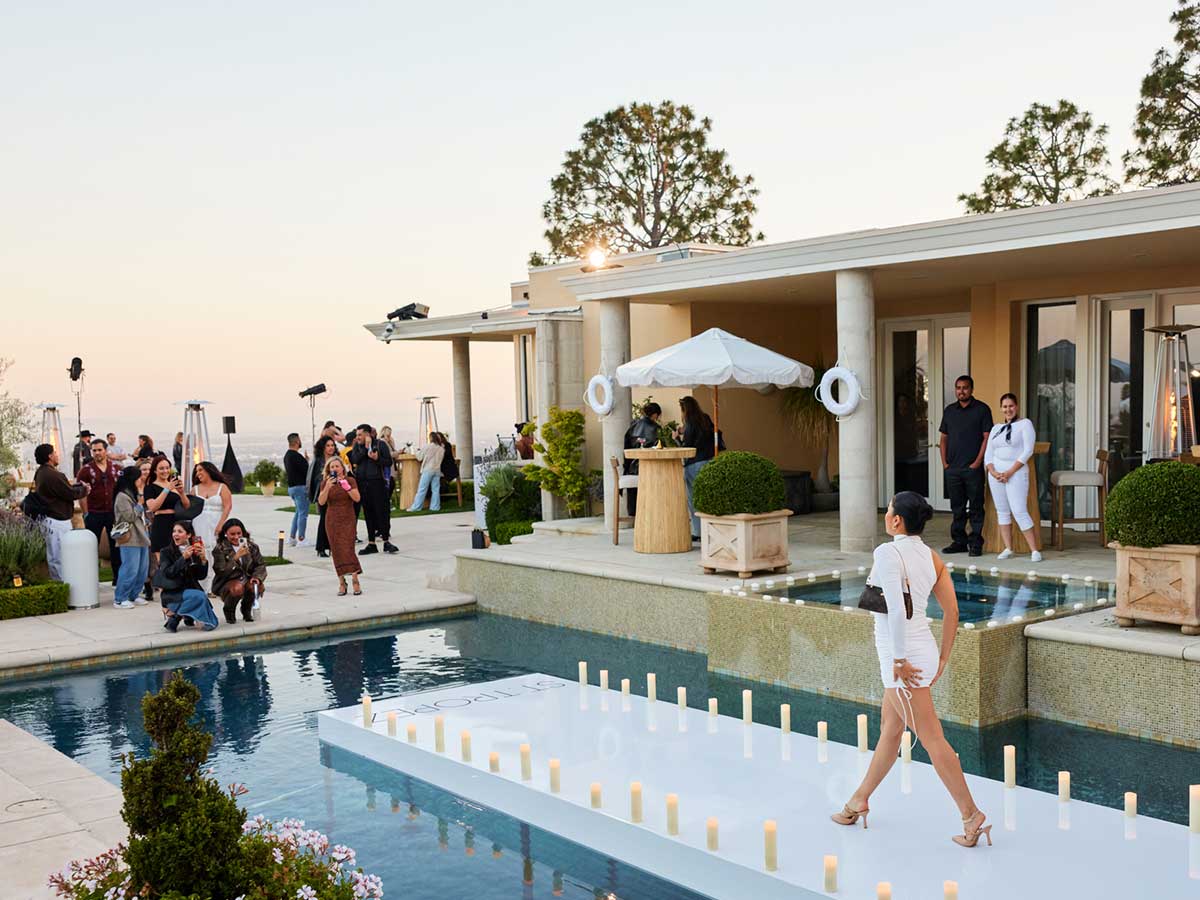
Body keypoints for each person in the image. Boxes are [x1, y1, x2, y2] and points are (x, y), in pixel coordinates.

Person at [831, 492, 992, 849]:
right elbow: (952, 612)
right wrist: (944, 658)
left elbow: (897, 611)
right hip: (921, 653)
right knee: (891, 730)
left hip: (903, 661)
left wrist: (899, 661)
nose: (886, 514)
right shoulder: (931, 557)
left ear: (896, 521)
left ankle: (971, 815)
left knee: (932, 739)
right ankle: (858, 800)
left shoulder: (888, 553)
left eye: (888, 509)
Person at [938, 375, 992, 557]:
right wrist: (945, 463)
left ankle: (975, 543)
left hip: (973, 469)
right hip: (953, 469)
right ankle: (959, 541)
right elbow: (943, 438)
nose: (961, 391)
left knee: (976, 507)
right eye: (958, 388)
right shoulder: (949, 411)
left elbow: (987, 437)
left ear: (971, 389)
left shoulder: (982, 409)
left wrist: (977, 462)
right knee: (957, 508)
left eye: (965, 388)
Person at [985, 393, 1042, 562]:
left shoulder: (1025, 424)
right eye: (1004, 406)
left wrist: (1009, 472)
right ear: (1001, 408)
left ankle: (1034, 550)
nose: (1008, 409)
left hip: (1016, 473)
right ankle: (1008, 548)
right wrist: (993, 471)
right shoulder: (996, 428)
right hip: (995, 475)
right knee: (1002, 511)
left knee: (1019, 510)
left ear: (1016, 407)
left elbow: (1028, 451)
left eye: (1011, 406)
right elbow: (989, 454)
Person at [32, 443, 89, 580]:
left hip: (51, 519)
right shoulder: (53, 474)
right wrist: (85, 490)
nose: (58, 456)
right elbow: (69, 493)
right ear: (50, 456)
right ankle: (64, 585)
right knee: (59, 556)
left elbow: (61, 489)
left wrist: (78, 487)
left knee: (55, 555)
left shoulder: (41, 472)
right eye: (55, 453)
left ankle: (62, 584)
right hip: (57, 521)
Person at [153, 521, 219, 632]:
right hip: (173, 592)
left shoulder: (194, 550)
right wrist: (183, 558)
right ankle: (177, 617)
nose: (175, 534)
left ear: (188, 535)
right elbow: (168, 573)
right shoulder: (166, 552)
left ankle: (177, 617)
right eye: (174, 531)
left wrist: (203, 559)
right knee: (200, 597)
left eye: (180, 531)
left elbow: (201, 576)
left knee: (200, 596)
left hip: (190, 589)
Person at [78, 437, 124, 585]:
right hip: (94, 512)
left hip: (113, 513)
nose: (97, 453)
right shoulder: (85, 470)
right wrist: (86, 513)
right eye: (94, 450)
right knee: (91, 546)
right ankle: (91, 579)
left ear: (106, 451)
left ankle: (118, 578)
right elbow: (81, 493)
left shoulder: (116, 469)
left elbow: (122, 490)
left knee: (115, 546)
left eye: (99, 450)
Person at [145, 455, 190, 605]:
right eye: (161, 468)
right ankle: (167, 594)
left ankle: (181, 590)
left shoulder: (174, 485)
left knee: (181, 559)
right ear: (155, 470)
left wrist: (181, 491)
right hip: (161, 524)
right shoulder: (150, 487)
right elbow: (152, 507)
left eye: (167, 467)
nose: (165, 471)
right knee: (164, 562)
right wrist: (166, 489)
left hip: (177, 523)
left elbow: (186, 505)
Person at [349, 424, 397, 554]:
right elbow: (355, 459)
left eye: (360, 435)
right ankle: (371, 543)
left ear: (367, 434)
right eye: (357, 435)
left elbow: (388, 462)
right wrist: (365, 449)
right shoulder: (357, 446)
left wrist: (377, 459)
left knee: (382, 512)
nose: (357, 437)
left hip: (378, 483)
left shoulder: (380, 445)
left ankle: (386, 541)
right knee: (368, 513)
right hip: (362, 484)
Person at [318, 456, 362, 596]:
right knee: (336, 550)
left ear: (342, 468)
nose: (335, 469)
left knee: (349, 548)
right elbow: (321, 502)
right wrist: (327, 488)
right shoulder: (325, 483)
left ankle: (355, 579)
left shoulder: (350, 480)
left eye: (337, 466)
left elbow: (357, 498)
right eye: (332, 467)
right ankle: (342, 582)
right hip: (332, 520)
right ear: (328, 470)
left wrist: (346, 487)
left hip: (348, 518)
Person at [212, 518, 268, 624]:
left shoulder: (251, 547)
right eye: (232, 534)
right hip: (228, 581)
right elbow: (220, 571)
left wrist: (256, 577)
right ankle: (229, 610)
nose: (236, 537)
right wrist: (235, 557)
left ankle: (246, 610)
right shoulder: (220, 549)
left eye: (239, 533)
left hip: (247, 579)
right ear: (225, 534)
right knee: (237, 588)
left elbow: (260, 565)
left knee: (256, 586)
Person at [676, 396, 716, 541]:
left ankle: (698, 532)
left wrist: (676, 437)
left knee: (693, 499)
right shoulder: (705, 418)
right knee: (707, 497)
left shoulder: (689, 423)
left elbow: (686, 448)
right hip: (709, 462)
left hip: (694, 464)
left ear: (684, 409)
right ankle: (711, 531)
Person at [111, 465, 151, 609]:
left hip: (141, 535)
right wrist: (140, 505)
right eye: (139, 477)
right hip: (130, 536)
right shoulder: (122, 496)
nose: (141, 480)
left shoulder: (133, 493)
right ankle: (120, 598)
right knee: (130, 568)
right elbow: (129, 516)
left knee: (142, 568)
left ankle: (134, 594)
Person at [191, 462, 232, 591]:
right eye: (197, 471)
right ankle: (203, 585)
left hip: (216, 522)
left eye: (201, 470)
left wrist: (221, 524)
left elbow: (227, 506)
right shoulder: (195, 489)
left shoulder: (222, 487)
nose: (198, 474)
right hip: (199, 523)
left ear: (209, 471)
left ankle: (216, 585)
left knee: (216, 552)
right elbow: (189, 508)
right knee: (202, 552)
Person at [622, 402, 661, 516]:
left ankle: (634, 513)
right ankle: (651, 514)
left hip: (632, 468)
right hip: (650, 469)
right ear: (654, 415)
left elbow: (625, 447)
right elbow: (659, 449)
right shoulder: (656, 428)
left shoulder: (633, 425)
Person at [408, 432, 446, 512]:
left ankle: (416, 507)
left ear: (431, 438)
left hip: (428, 470)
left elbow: (419, 457)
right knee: (435, 490)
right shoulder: (441, 448)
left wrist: (417, 451)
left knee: (422, 489)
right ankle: (435, 507)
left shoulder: (427, 446)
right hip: (437, 470)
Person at [284, 433, 310, 546]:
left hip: (292, 488)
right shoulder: (296, 456)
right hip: (300, 488)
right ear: (296, 442)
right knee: (303, 514)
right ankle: (301, 538)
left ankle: (292, 537)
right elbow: (307, 471)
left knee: (298, 512)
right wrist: (306, 461)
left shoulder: (287, 456)